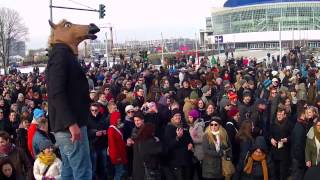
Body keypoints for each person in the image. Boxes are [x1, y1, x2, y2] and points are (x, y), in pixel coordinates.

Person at [46, 20, 99, 179]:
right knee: (82, 170)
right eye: (67, 27)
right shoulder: (61, 55)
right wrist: (72, 123)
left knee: (69, 170)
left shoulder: (62, 54)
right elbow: (57, 92)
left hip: (66, 126)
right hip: (69, 127)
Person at [164, 109, 193, 180]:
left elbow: (189, 138)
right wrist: (177, 137)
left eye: (179, 115)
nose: (178, 117)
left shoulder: (184, 125)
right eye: (176, 115)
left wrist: (191, 144)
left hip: (186, 159)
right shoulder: (169, 128)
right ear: (172, 117)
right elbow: (169, 145)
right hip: (176, 161)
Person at [87, 102, 108, 180]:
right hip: (93, 146)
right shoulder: (87, 119)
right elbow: (86, 132)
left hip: (102, 145)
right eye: (92, 110)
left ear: (99, 110)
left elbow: (107, 128)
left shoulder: (103, 117)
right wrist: (95, 133)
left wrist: (105, 132)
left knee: (104, 166)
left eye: (96, 110)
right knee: (93, 167)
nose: (94, 112)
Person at [108, 112, 127, 180]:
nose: (119, 119)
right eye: (118, 118)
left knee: (120, 172)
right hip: (117, 155)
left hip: (120, 153)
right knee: (118, 172)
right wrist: (116, 157)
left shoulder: (117, 127)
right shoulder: (111, 129)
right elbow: (112, 145)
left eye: (119, 118)